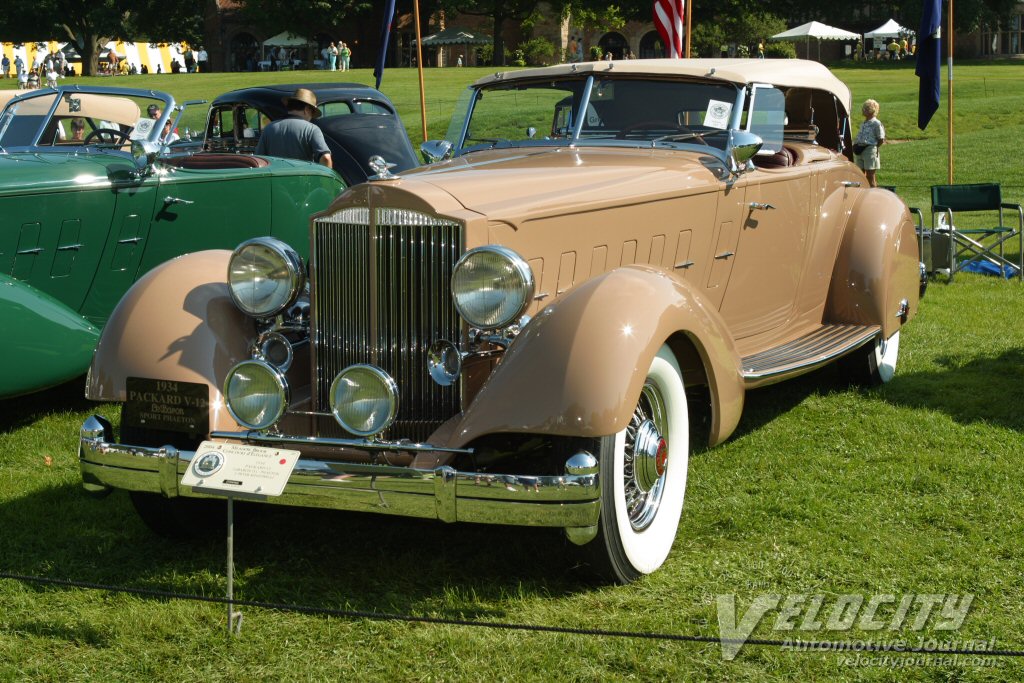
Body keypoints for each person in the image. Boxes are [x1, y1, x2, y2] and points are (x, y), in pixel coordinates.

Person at [254, 87, 333, 169]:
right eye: (312, 112)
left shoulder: (269, 128)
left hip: (275, 180)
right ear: (307, 109)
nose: (311, 117)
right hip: (302, 179)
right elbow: (326, 158)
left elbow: (258, 160)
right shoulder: (312, 129)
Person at [853, 99, 885, 188]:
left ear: (873, 110)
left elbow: (881, 139)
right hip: (859, 150)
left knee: (870, 177)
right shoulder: (863, 123)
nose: (864, 110)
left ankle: (873, 196)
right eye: (864, 108)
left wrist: (873, 148)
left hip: (870, 150)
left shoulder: (877, 123)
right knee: (860, 175)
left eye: (867, 108)